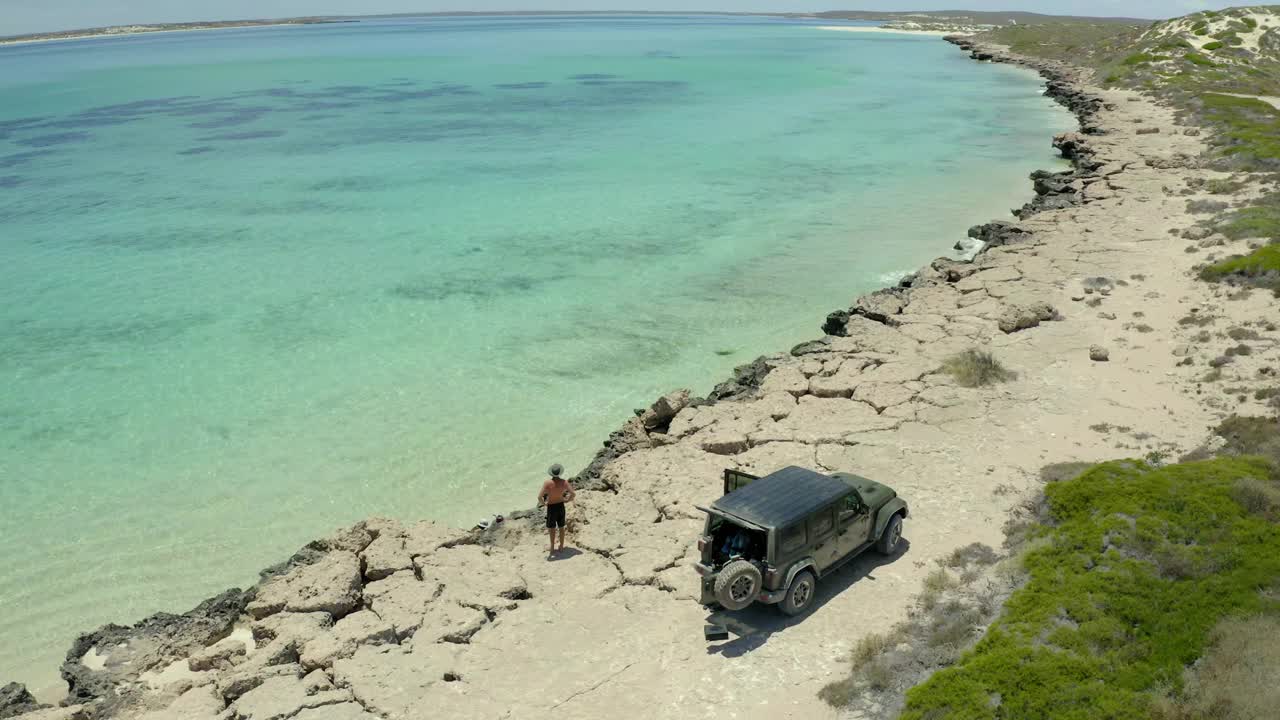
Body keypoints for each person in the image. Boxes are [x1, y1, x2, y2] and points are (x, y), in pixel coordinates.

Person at [537, 463, 575, 554]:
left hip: (551, 507)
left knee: (552, 528)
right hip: (561, 505)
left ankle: (552, 548)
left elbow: (539, 497)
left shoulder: (547, 483)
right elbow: (573, 494)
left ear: (551, 473)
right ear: (559, 473)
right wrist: (567, 500)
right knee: (561, 527)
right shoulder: (564, 482)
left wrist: (544, 504)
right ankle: (561, 546)